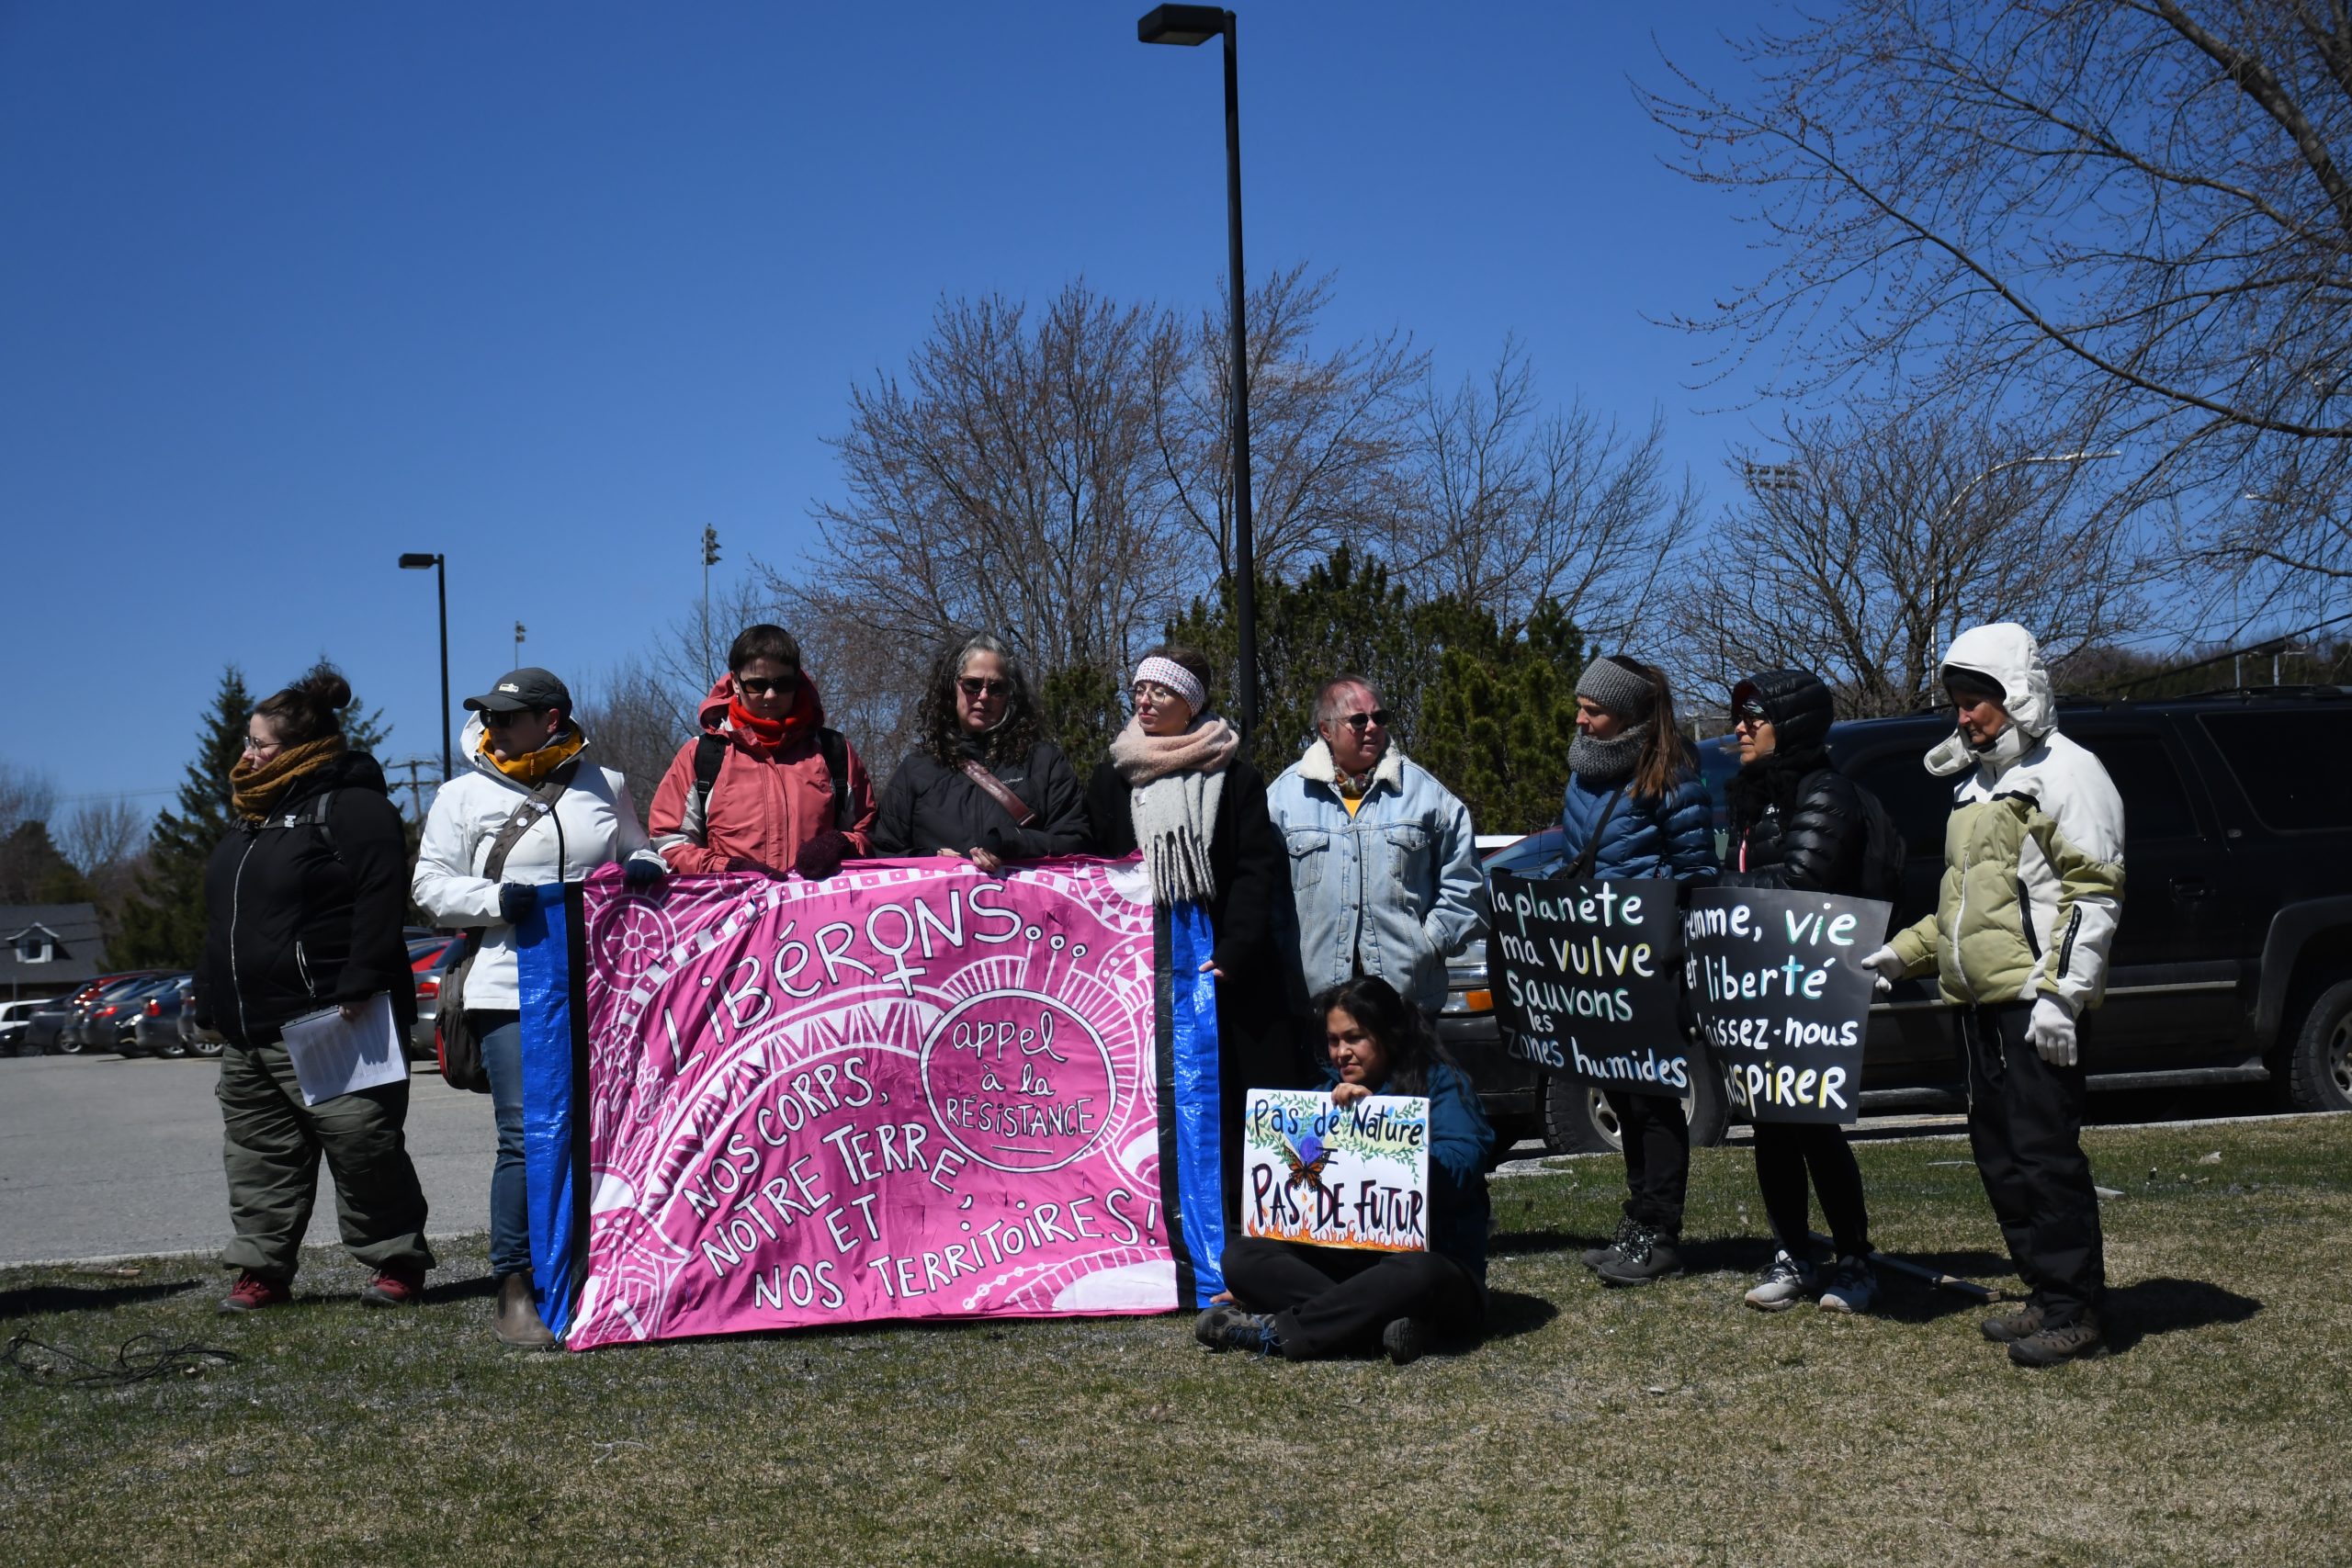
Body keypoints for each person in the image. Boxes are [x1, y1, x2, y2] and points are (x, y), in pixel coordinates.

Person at [1861, 623, 2124, 1367]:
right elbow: (1961, 908)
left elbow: (2094, 894)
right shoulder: (1975, 785)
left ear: (2019, 696)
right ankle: (2044, 1291)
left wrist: (2061, 996)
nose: (1964, 715)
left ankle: (2077, 1309)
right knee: (1999, 1154)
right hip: (1976, 1006)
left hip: (2034, 1005)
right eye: (1957, 701)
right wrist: (1902, 954)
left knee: (2045, 1156)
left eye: (1978, 699)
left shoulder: (2068, 774)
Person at [413, 667, 666, 1348]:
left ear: (551, 720)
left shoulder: (605, 785)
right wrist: (496, 902)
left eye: (509, 714)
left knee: (599, 1129)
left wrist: (643, 861)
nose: (493, 725)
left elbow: (636, 845)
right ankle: (515, 1285)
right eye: (489, 715)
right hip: (506, 989)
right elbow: (429, 887)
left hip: (603, 988)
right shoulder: (460, 795)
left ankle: (594, 1270)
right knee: (528, 1132)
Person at [195, 665, 433, 1314]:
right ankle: (261, 1270)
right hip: (250, 1030)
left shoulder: (352, 806)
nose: (246, 755)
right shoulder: (249, 820)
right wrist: (207, 995)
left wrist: (359, 978)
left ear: (299, 747)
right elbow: (222, 920)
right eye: (247, 742)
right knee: (258, 1157)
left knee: (364, 1145)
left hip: (331, 1016)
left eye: (260, 744)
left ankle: (396, 1259)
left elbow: (381, 897)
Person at [1084, 646, 1294, 1214]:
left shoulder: (1234, 777)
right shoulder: (1113, 776)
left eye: (1162, 691)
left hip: (1218, 969)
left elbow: (1255, 870)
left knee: (1225, 1099)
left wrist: (1235, 949)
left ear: (1192, 704)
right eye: (1140, 689)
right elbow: (1088, 863)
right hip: (1134, 970)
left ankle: (1233, 1220)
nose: (1145, 700)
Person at [1201, 976, 1497, 1365]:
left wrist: (1381, 1125)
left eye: (1354, 1038)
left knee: (1418, 1275)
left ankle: (1281, 1333)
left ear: (1389, 1035)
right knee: (1242, 1258)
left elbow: (1463, 1164)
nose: (1341, 1052)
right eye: (1333, 1040)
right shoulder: (1322, 1097)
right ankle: (1385, 1324)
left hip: (1426, 1261)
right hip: (1343, 1266)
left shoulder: (1441, 1083)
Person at [1716, 668, 1886, 1314]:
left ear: (1788, 725)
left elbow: (1800, 877)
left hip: (1815, 984)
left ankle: (1856, 1260)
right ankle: (1793, 1254)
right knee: (1770, 1126)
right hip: (1761, 983)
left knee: (1815, 1126)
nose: (1739, 729)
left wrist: (1715, 890)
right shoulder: (1752, 794)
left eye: (1752, 718)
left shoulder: (1826, 792)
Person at [1559, 654, 1718, 1288]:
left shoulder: (1673, 780)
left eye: (1594, 710)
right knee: (1623, 1095)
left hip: (1650, 965)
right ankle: (1636, 1224)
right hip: (1601, 962)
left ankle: (1661, 1232)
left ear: (1628, 715)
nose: (1582, 719)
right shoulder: (1583, 775)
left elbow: (1696, 878)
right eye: (1582, 706)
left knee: (1653, 1102)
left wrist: (1664, 937)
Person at [1264, 674, 1480, 1019]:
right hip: (1314, 1005)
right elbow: (1264, 893)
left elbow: (1465, 885)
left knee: (1412, 1076)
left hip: (1407, 1005)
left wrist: (1429, 946)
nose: (1372, 727)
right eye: (1358, 720)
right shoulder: (1283, 799)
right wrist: (1283, 956)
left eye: (1379, 717)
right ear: (1325, 729)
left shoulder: (1428, 795)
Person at [647, 623, 878, 880]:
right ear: (735, 682)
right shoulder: (701, 755)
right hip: (732, 913)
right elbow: (669, 845)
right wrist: (727, 868)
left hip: (820, 914)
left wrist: (840, 844)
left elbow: (871, 835)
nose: (770, 695)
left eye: (783, 684)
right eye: (756, 685)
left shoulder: (835, 752)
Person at [870, 633, 1089, 866]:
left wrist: (1011, 842)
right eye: (972, 685)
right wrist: (929, 859)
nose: (983, 696)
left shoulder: (1044, 762)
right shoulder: (916, 770)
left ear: (1009, 695)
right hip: (940, 901)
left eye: (996, 688)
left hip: (1023, 901)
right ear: (952, 688)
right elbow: (882, 852)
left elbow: (1075, 843)